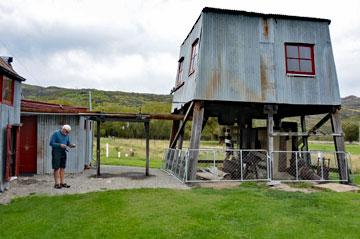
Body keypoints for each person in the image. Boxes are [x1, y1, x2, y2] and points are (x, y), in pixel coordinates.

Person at [49, 124, 76, 189]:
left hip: (63, 152)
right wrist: (60, 145)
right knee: (56, 167)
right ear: (63, 129)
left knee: (62, 167)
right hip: (56, 152)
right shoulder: (56, 133)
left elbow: (67, 143)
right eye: (66, 132)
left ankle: (62, 183)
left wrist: (71, 145)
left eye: (68, 132)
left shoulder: (67, 135)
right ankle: (56, 184)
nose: (67, 133)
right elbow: (51, 143)